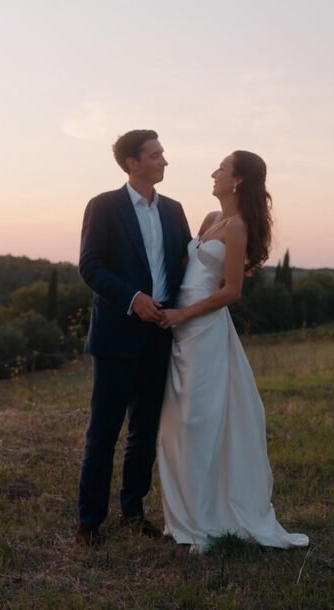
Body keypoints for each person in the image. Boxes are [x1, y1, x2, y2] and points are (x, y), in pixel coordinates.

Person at [157, 150, 309, 552]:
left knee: (199, 423)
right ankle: (183, 516)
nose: (214, 173)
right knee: (175, 425)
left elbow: (231, 291)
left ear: (238, 179)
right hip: (179, 329)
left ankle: (207, 522)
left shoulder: (238, 227)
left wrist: (182, 314)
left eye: (221, 168)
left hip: (203, 332)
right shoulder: (210, 220)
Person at [76, 129, 192, 546]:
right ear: (132, 163)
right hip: (116, 333)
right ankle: (89, 521)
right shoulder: (103, 207)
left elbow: (185, 264)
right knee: (104, 431)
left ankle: (133, 510)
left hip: (161, 333)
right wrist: (133, 298)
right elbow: (90, 266)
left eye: (162, 153)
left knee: (145, 431)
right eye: (156, 154)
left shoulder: (175, 211)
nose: (164, 160)